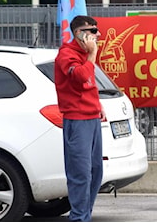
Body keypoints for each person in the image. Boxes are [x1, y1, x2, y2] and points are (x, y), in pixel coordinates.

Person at [54, 15, 106, 221]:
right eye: (92, 31)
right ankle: (78, 218)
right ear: (79, 33)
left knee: (95, 172)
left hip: (91, 118)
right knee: (80, 174)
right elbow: (79, 77)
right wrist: (92, 54)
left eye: (97, 30)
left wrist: (97, 104)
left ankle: (84, 215)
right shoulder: (67, 55)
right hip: (77, 121)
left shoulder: (84, 54)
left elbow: (88, 84)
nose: (97, 35)